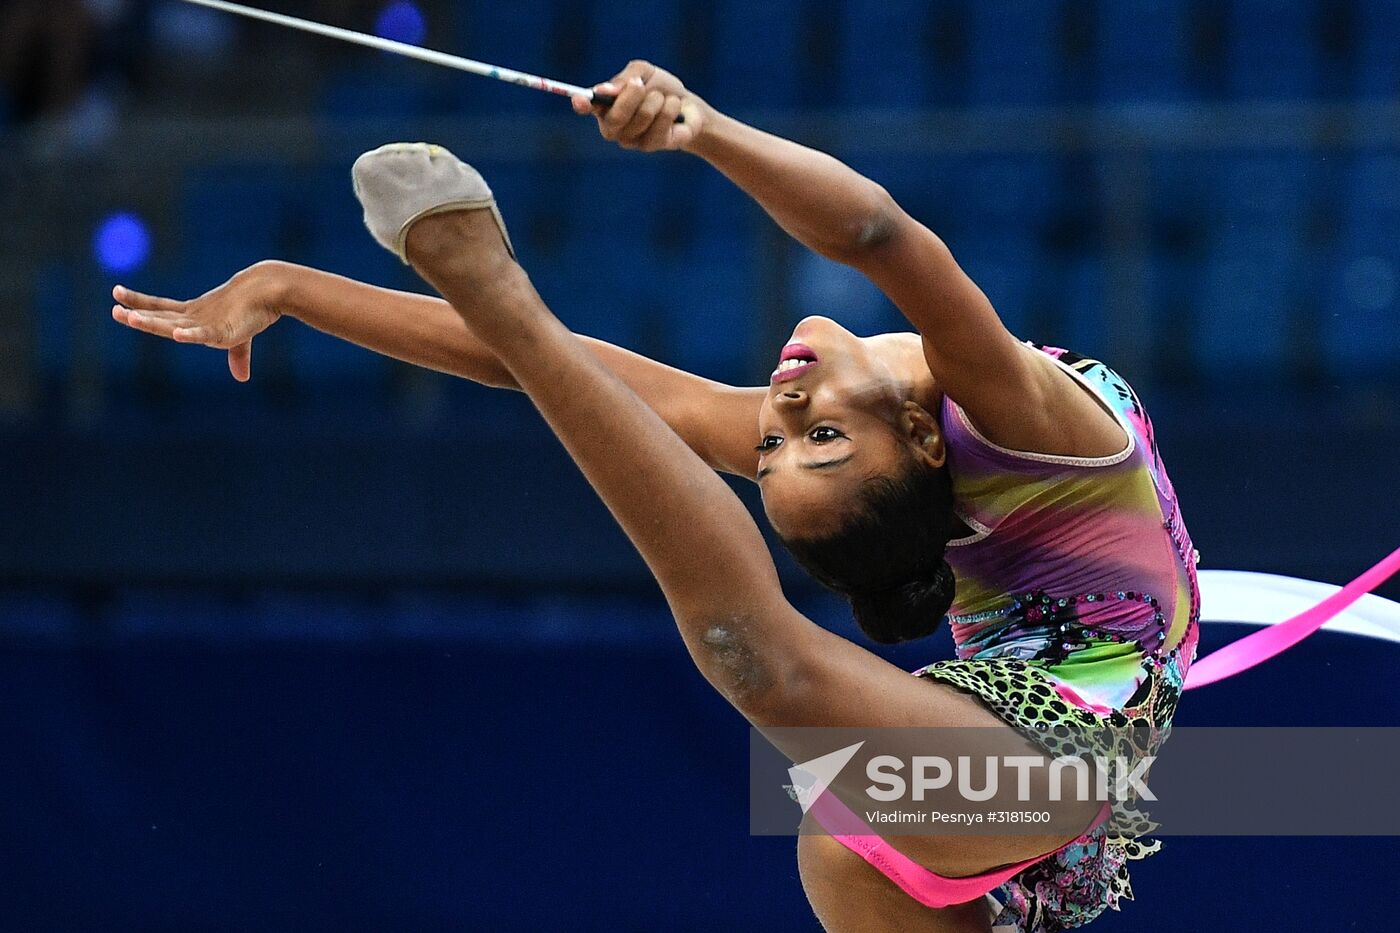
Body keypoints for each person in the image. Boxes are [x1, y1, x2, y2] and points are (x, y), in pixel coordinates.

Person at [112, 62, 1199, 932]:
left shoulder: (985, 427)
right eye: (805, 434)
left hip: (1041, 760)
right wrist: (294, 288)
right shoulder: (996, 416)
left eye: (784, 443)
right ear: (914, 440)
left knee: (780, 707)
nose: (776, 409)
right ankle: (508, 300)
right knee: (843, 815)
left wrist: (702, 128)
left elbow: (877, 237)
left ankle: (508, 294)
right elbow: (872, 246)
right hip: (1021, 767)